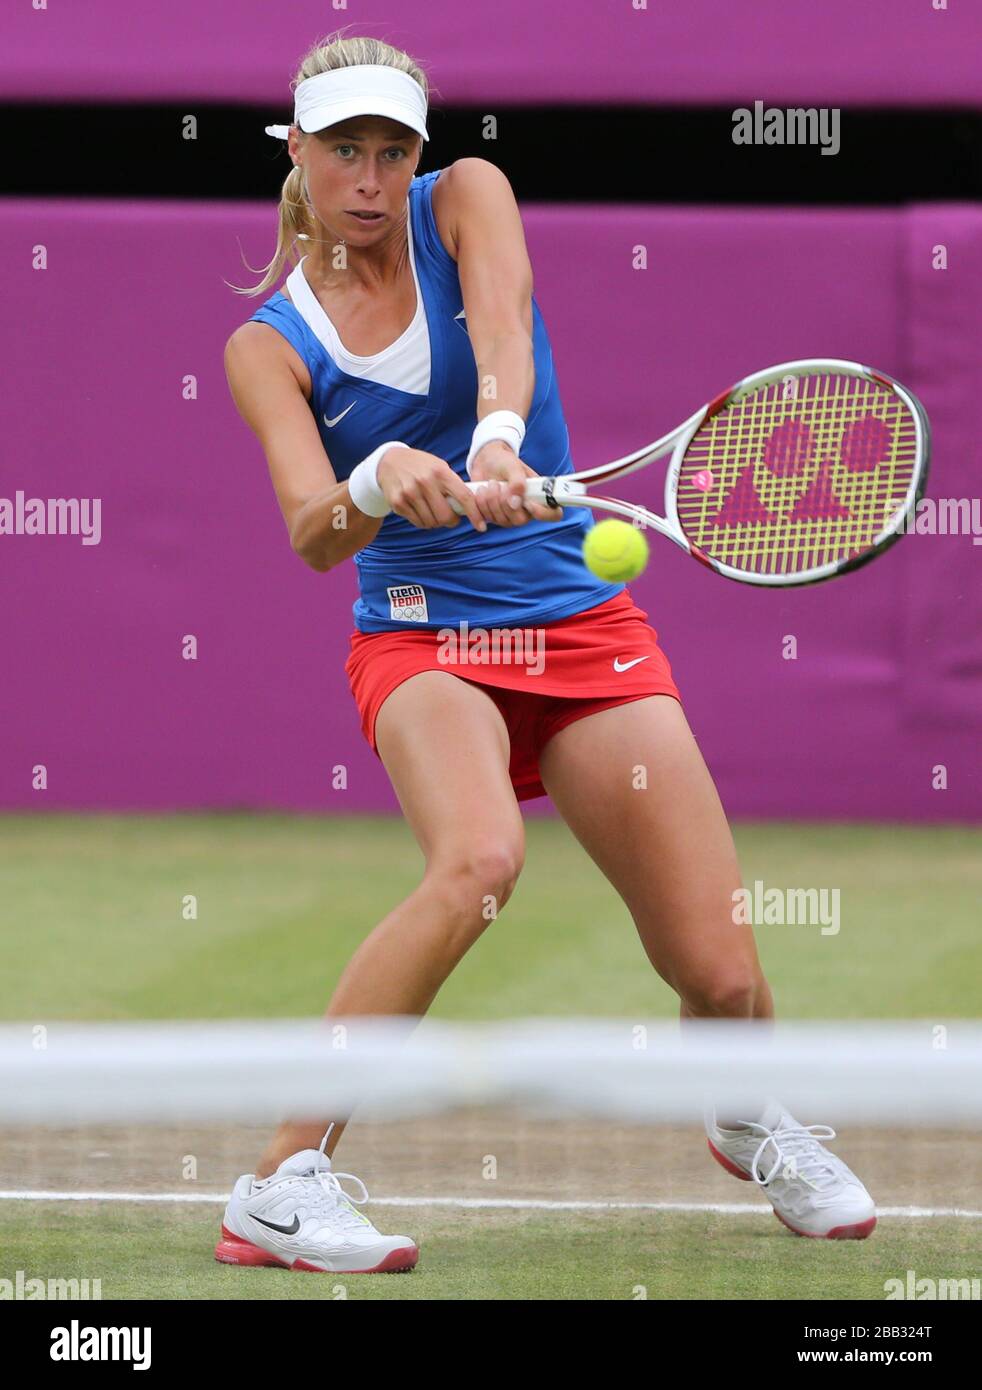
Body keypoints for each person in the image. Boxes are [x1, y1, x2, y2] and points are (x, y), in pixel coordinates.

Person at [216, 33, 875, 1275]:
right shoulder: (270, 345)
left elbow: (502, 321)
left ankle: (748, 1110)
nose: (369, 174)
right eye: (342, 149)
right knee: (477, 857)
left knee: (719, 968)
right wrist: (372, 475)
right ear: (295, 155)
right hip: (421, 638)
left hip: (579, 623)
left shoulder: (465, 196)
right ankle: (279, 1182)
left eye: (389, 148)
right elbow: (314, 529)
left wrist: (501, 435)